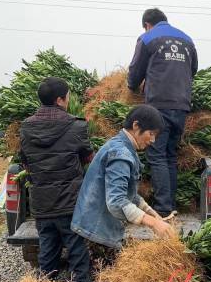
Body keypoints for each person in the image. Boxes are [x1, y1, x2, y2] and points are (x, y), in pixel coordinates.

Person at [20, 77, 93, 282]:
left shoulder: (26, 127)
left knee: (47, 254)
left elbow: (25, 162)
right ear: (60, 100)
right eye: (68, 96)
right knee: (77, 254)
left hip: (42, 204)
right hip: (70, 204)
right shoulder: (76, 126)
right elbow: (88, 157)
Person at [71, 104, 175, 250]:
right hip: (94, 233)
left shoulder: (123, 148)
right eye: (151, 133)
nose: (153, 141)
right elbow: (116, 201)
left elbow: (128, 194)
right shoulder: (120, 154)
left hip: (96, 229)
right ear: (136, 125)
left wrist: (151, 212)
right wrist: (153, 223)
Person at [127, 8, 198, 219]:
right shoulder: (187, 39)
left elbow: (135, 70)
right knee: (169, 155)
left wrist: (132, 87)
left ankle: (163, 208)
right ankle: (170, 204)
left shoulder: (148, 38)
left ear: (147, 24)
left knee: (156, 155)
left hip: (159, 105)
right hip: (182, 105)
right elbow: (192, 69)